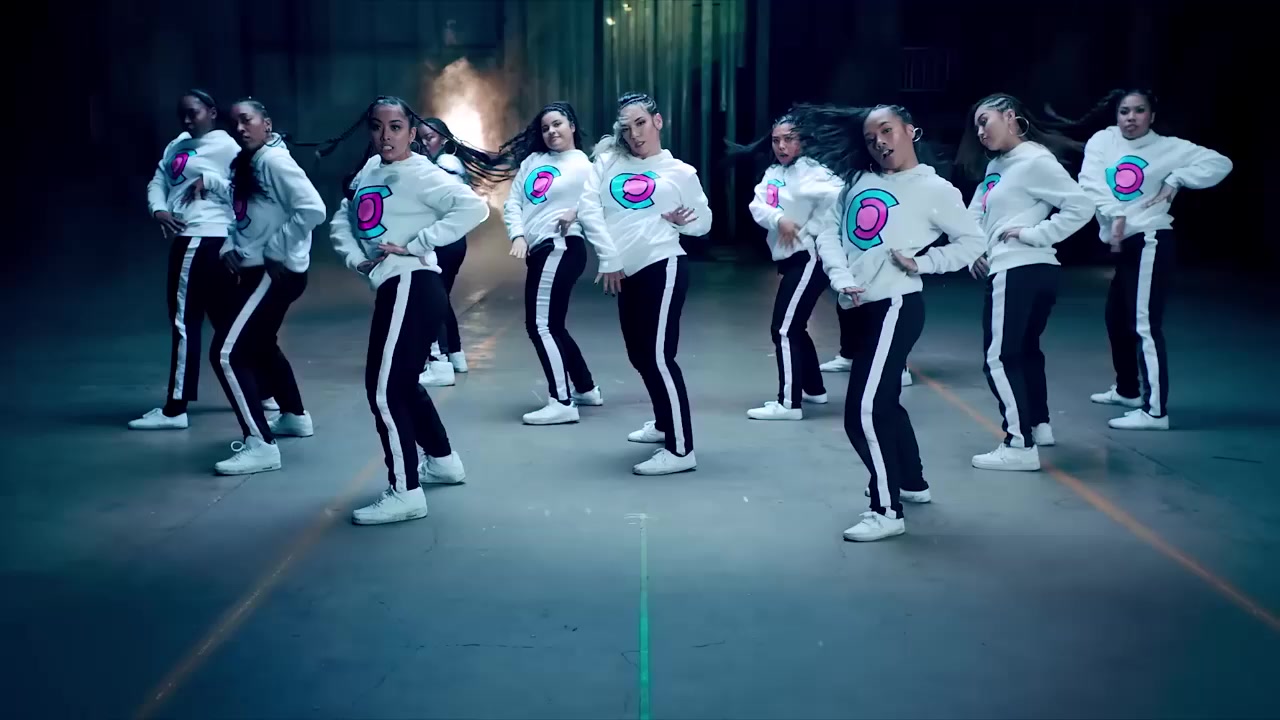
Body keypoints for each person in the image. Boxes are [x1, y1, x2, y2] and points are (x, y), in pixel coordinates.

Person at [795, 102, 984, 542]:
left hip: (896, 306)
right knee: (884, 402)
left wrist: (925, 263)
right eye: (870, 138)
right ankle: (911, 483)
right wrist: (840, 278)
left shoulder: (933, 189)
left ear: (910, 131)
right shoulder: (857, 181)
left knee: (863, 411)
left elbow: (972, 242)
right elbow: (829, 233)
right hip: (858, 307)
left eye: (887, 131)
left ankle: (885, 509)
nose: (879, 142)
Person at [328, 96, 490, 525]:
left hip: (411, 283)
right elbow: (343, 217)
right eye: (378, 126)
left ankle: (405, 491)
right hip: (396, 286)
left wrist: (418, 244)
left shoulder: (422, 172)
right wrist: (357, 259)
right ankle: (443, 461)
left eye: (396, 127)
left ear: (411, 132)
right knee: (401, 384)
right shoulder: (369, 170)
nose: (386, 135)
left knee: (384, 391)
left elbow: (474, 207)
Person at [1048, 89, 1232, 430]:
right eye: (1124, 111)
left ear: (1152, 116)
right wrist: (1115, 212)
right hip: (1125, 241)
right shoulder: (1104, 141)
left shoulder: (1169, 148)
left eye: (1139, 111)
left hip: (1150, 238)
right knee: (1116, 318)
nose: (1130, 118)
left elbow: (1221, 163)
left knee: (1144, 325)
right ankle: (1128, 390)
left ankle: (1155, 412)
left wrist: (1176, 179)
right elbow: (1089, 182)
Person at [954, 93, 1092, 471]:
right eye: (976, 125)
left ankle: (1018, 446)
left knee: (999, 357)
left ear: (1010, 116)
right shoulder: (998, 165)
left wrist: (1034, 234)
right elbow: (978, 212)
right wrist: (974, 251)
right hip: (1020, 268)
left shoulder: (1034, 161)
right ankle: (1038, 425)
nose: (979, 131)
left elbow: (1081, 206)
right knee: (1025, 349)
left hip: (1021, 267)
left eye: (985, 121)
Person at [578, 92, 712, 476]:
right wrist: (609, 258)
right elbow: (589, 209)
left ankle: (682, 449)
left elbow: (704, 221)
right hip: (626, 271)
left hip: (662, 264)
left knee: (658, 357)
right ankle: (665, 422)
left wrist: (685, 222)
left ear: (658, 121)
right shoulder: (608, 162)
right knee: (639, 355)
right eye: (626, 127)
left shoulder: (679, 172)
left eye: (640, 123)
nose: (634, 134)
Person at [193, 99, 326, 475]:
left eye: (246, 120)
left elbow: (312, 209)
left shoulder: (275, 161)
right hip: (259, 271)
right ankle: (294, 416)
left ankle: (260, 445)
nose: (239, 128)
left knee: (227, 353)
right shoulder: (250, 162)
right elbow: (248, 210)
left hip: (274, 273)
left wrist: (274, 249)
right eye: (234, 122)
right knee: (262, 344)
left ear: (266, 123)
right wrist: (232, 247)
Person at [130, 90, 240, 431]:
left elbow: (246, 189)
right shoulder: (178, 144)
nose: (188, 120)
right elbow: (159, 179)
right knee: (225, 321)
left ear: (212, 112)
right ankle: (264, 391)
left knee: (184, 321)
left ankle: (175, 409)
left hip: (203, 237)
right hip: (193, 237)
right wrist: (159, 209)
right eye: (183, 114)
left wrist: (211, 181)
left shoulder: (227, 147)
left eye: (194, 113)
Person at [726, 112, 842, 420]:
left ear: (802, 141)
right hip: (789, 258)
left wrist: (814, 230)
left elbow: (839, 198)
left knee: (784, 328)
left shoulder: (816, 173)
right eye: (776, 140)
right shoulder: (774, 172)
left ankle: (789, 404)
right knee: (794, 326)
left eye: (789, 139)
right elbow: (757, 205)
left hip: (810, 257)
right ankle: (814, 389)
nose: (781, 146)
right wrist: (779, 219)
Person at [498, 101, 604, 425]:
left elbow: (602, 201)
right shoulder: (533, 161)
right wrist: (518, 235)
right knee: (552, 325)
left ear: (572, 125)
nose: (551, 131)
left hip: (562, 245)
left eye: (557, 124)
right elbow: (513, 202)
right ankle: (585, 388)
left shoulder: (585, 165)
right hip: (539, 249)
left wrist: (577, 212)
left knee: (539, 325)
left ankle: (562, 401)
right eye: (545, 128)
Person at [414, 118, 512, 387]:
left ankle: (439, 361)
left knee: (430, 300)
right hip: (452, 242)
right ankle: (455, 355)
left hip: (444, 243)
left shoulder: (445, 166)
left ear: (444, 139)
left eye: (430, 137)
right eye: (421, 138)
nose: (425, 143)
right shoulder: (447, 164)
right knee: (440, 298)